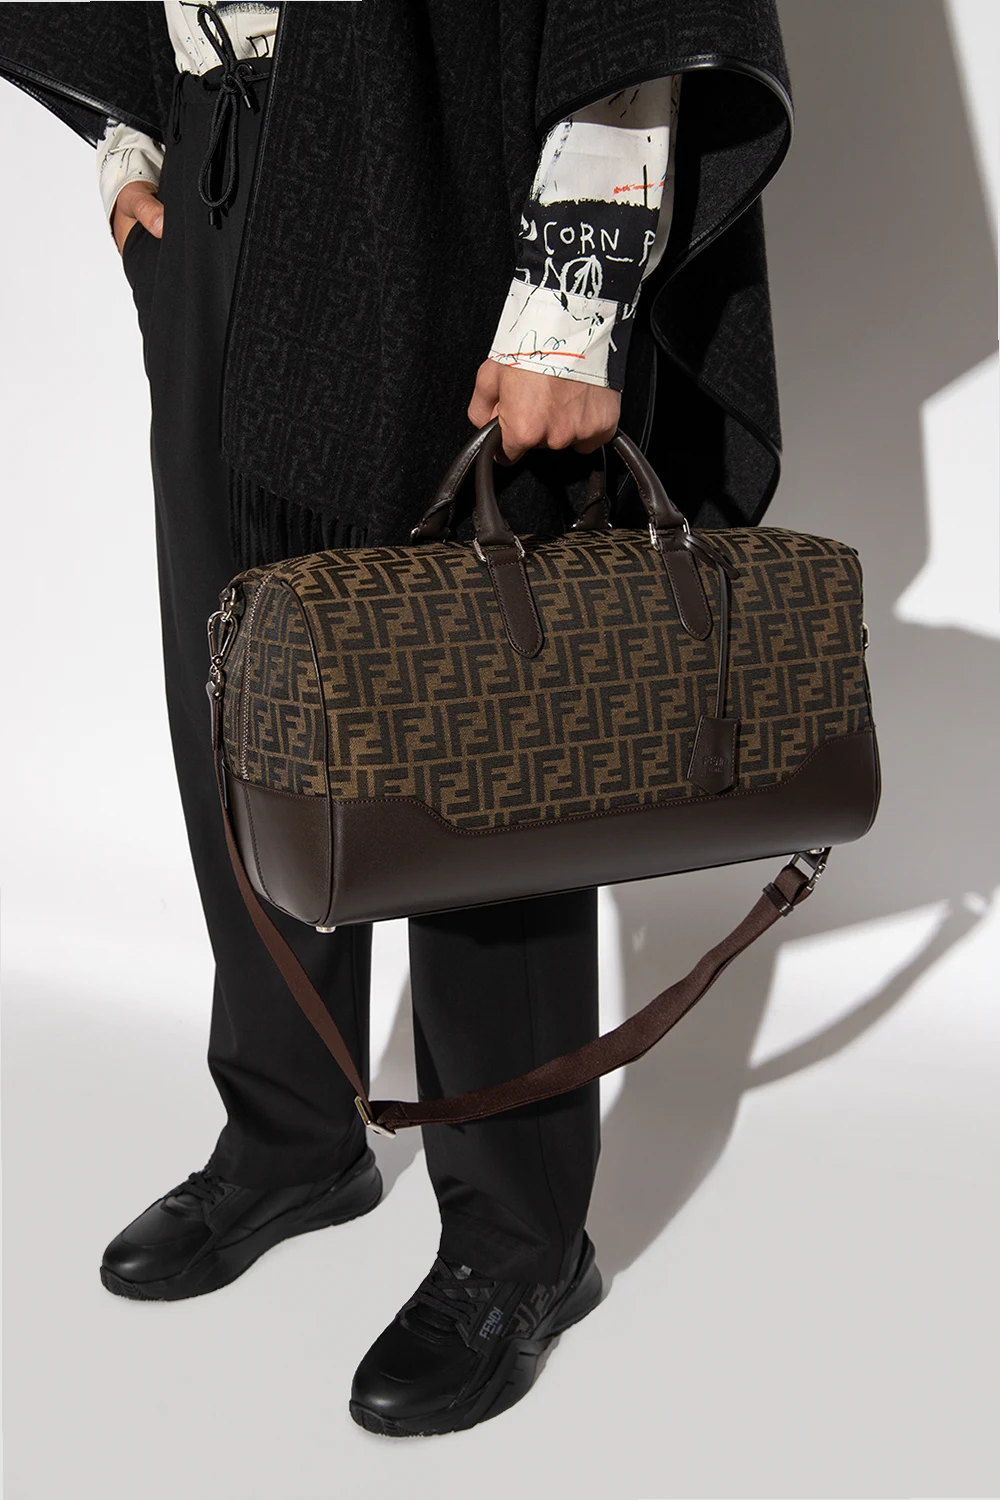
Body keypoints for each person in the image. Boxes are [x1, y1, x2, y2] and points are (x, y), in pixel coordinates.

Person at [0, 0, 791, 1437]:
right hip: (218, 168)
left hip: (432, 171)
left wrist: (576, 293)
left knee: (472, 731)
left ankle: (520, 1241)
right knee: (238, 689)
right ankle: (291, 1130)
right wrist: (131, 140)